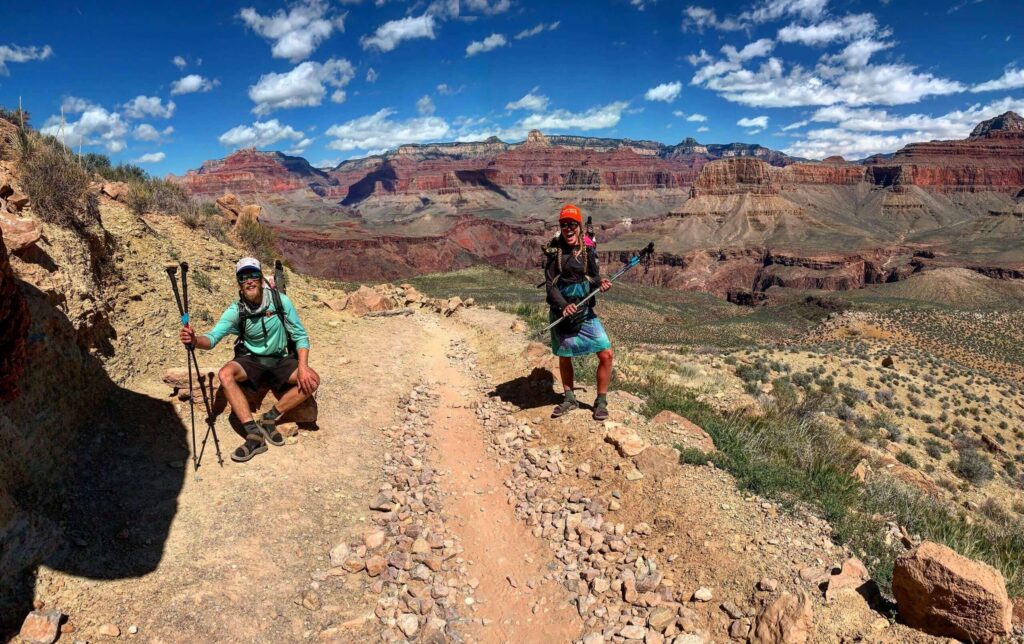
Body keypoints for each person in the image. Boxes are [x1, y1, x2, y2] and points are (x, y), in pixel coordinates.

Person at [180, 257, 320, 463]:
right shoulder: (236, 310)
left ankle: (269, 418)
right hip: (251, 360)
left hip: (281, 359)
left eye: (253, 275)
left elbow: (300, 335)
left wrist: (303, 366)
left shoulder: (281, 301)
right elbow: (211, 339)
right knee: (225, 374)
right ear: (239, 283)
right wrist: (194, 340)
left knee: (313, 380)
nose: (249, 281)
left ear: (261, 279)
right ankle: (253, 434)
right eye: (243, 277)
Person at [545, 204, 614, 420]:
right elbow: (550, 286)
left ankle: (601, 401)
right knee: (565, 356)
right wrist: (563, 305)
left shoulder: (587, 250)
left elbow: (593, 278)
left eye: (572, 224)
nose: (568, 229)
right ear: (560, 227)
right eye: (564, 225)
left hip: (584, 310)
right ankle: (569, 398)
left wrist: (600, 283)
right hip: (562, 311)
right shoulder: (554, 252)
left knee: (606, 352)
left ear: (579, 226)